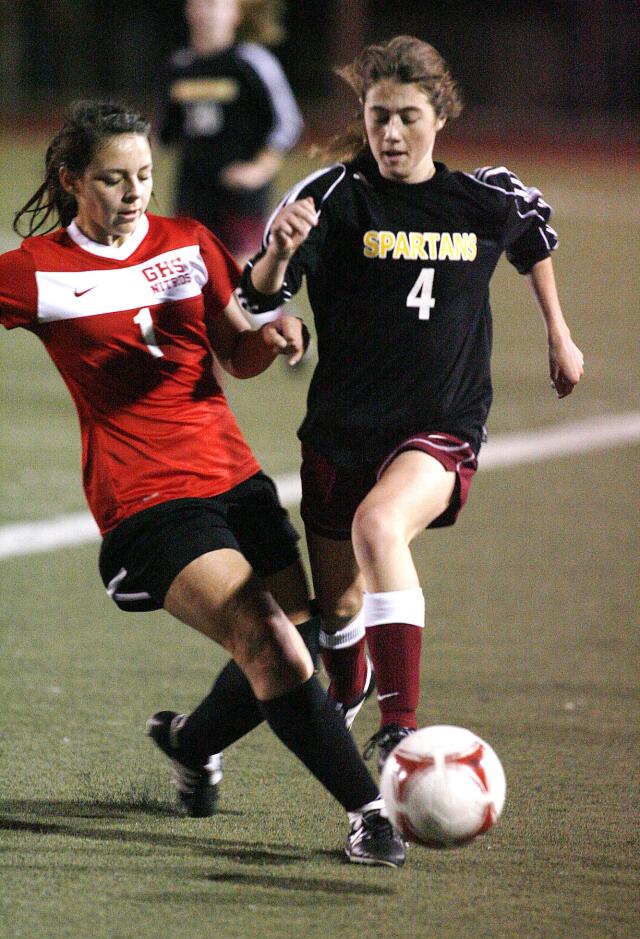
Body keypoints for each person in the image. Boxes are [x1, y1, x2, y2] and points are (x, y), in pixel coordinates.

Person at [0, 99, 405, 867]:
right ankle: (371, 812)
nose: (133, 193)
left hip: (235, 479)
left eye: (144, 175)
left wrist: (279, 334)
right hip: (145, 500)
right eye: (113, 179)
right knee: (274, 646)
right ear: (70, 180)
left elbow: (236, 353)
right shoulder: (36, 271)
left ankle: (189, 743)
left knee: (297, 640)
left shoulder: (187, 242)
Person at [239, 35, 585, 770]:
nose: (391, 134)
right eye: (377, 117)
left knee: (379, 523)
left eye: (407, 117)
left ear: (441, 117)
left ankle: (400, 724)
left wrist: (560, 332)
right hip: (342, 429)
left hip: (441, 424)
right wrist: (277, 272)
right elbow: (258, 295)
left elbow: (532, 234)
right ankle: (353, 674)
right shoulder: (333, 197)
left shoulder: (481, 197)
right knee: (336, 608)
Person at [160, 0, 303, 266]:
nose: (205, 12)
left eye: (214, 4)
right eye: (199, 4)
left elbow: (288, 122)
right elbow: (169, 133)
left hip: (241, 201)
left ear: (235, 14)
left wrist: (259, 169)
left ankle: (276, 309)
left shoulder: (251, 62)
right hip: (192, 194)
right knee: (191, 286)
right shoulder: (180, 65)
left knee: (241, 285)